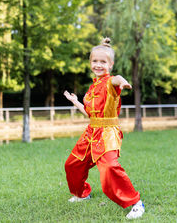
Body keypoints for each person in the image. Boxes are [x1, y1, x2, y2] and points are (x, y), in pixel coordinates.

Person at [63, 37, 145, 220]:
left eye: (103, 61)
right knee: (72, 164)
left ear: (111, 64)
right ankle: (82, 193)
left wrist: (123, 82)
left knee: (109, 167)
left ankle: (135, 203)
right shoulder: (93, 87)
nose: (98, 65)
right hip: (91, 132)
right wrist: (75, 101)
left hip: (107, 133)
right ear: (90, 63)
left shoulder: (110, 82)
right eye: (95, 61)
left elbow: (116, 79)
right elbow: (91, 114)